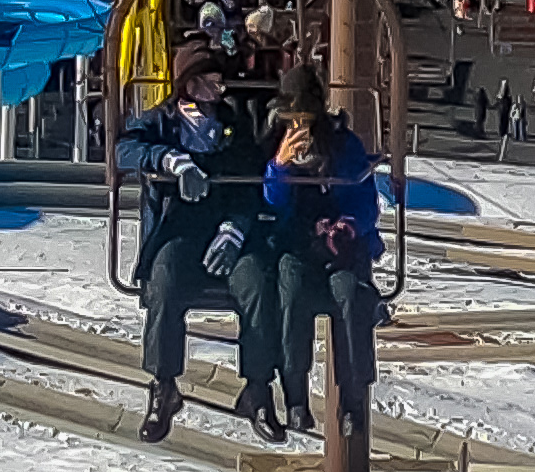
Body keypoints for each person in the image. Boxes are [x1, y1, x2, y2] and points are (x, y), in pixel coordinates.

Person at [114, 70, 273, 442]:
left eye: (221, 77)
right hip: (178, 229)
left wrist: (235, 229)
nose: (220, 86)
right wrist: (170, 160)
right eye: (210, 78)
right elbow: (123, 150)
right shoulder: (162, 121)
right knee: (164, 283)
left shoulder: (235, 124)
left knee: (257, 285)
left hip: (227, 231)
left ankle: (258, 387)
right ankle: (163, 385)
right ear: (188, 83)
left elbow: (251, 180)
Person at [258, 69, 385, 452]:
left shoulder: (343, 146)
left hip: (338, 249)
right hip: (296, 246)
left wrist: (347, 226)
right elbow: (270, 205)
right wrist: (279, 168)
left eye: (307, 120)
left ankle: (352, 400)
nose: (300, 128)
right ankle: (295, 394)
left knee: (350, 296)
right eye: (293, 120)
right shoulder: (272, 143)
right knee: (289, 288)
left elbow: (365, 202)